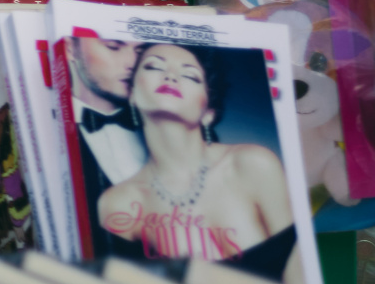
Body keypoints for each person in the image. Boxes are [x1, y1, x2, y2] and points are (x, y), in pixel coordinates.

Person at [96, 42, 294, 265]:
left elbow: (298, 267)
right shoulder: (119, 203)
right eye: (154, 67)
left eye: (191, 76)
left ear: (208, 112)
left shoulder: (252, 164)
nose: (170, 76)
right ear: (132, 95)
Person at [66, 30, 145, 228]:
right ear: (70, 48)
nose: (132, 63)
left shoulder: (167, 126)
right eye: (114, 47)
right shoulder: (44, 131)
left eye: (140, 51)